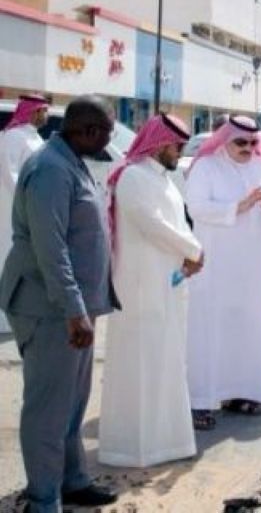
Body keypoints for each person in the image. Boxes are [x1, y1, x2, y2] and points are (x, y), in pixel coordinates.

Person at [0, 95, 120, 511]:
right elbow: (51, 249)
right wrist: (73, 310)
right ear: (88, 131)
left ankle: (71, 481)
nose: (110, 140)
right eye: (107, 130)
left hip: (72, 311)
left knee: (71, 403)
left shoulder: (69, 160)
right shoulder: (50, 170)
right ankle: (42, 497)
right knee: (48, 409)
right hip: (49, 309)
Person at [99, 114, 204, 467]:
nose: (180, 152)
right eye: (177, 146)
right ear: (160, 144)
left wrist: (191, 252)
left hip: (167, 283)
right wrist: (194, 250)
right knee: (140, 367)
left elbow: (177, 225)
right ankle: (132, 450)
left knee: (165, 363)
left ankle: (166, 443)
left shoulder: (163, 180)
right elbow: (152, 224)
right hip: (140, 288)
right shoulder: (133, 177)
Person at [184, 115, 261, 430]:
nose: (248, 148)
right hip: (216, 265)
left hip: (255, 265)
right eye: (241, 142)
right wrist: (238, 207)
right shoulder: (206, 167)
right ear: (225, 139)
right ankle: (201, 400)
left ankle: (245, 392)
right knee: (210, 328)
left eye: (253, 142)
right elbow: (196, 207)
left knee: (250, 325)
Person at [0, 94, 49, 335]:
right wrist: (28, 201)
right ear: (33, 111)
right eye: (44, 110)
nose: (47, 116)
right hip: (14, 209)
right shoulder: (13, 136)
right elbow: (10, 174)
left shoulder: (35, 137)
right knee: (7, 257)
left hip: (30, 210)